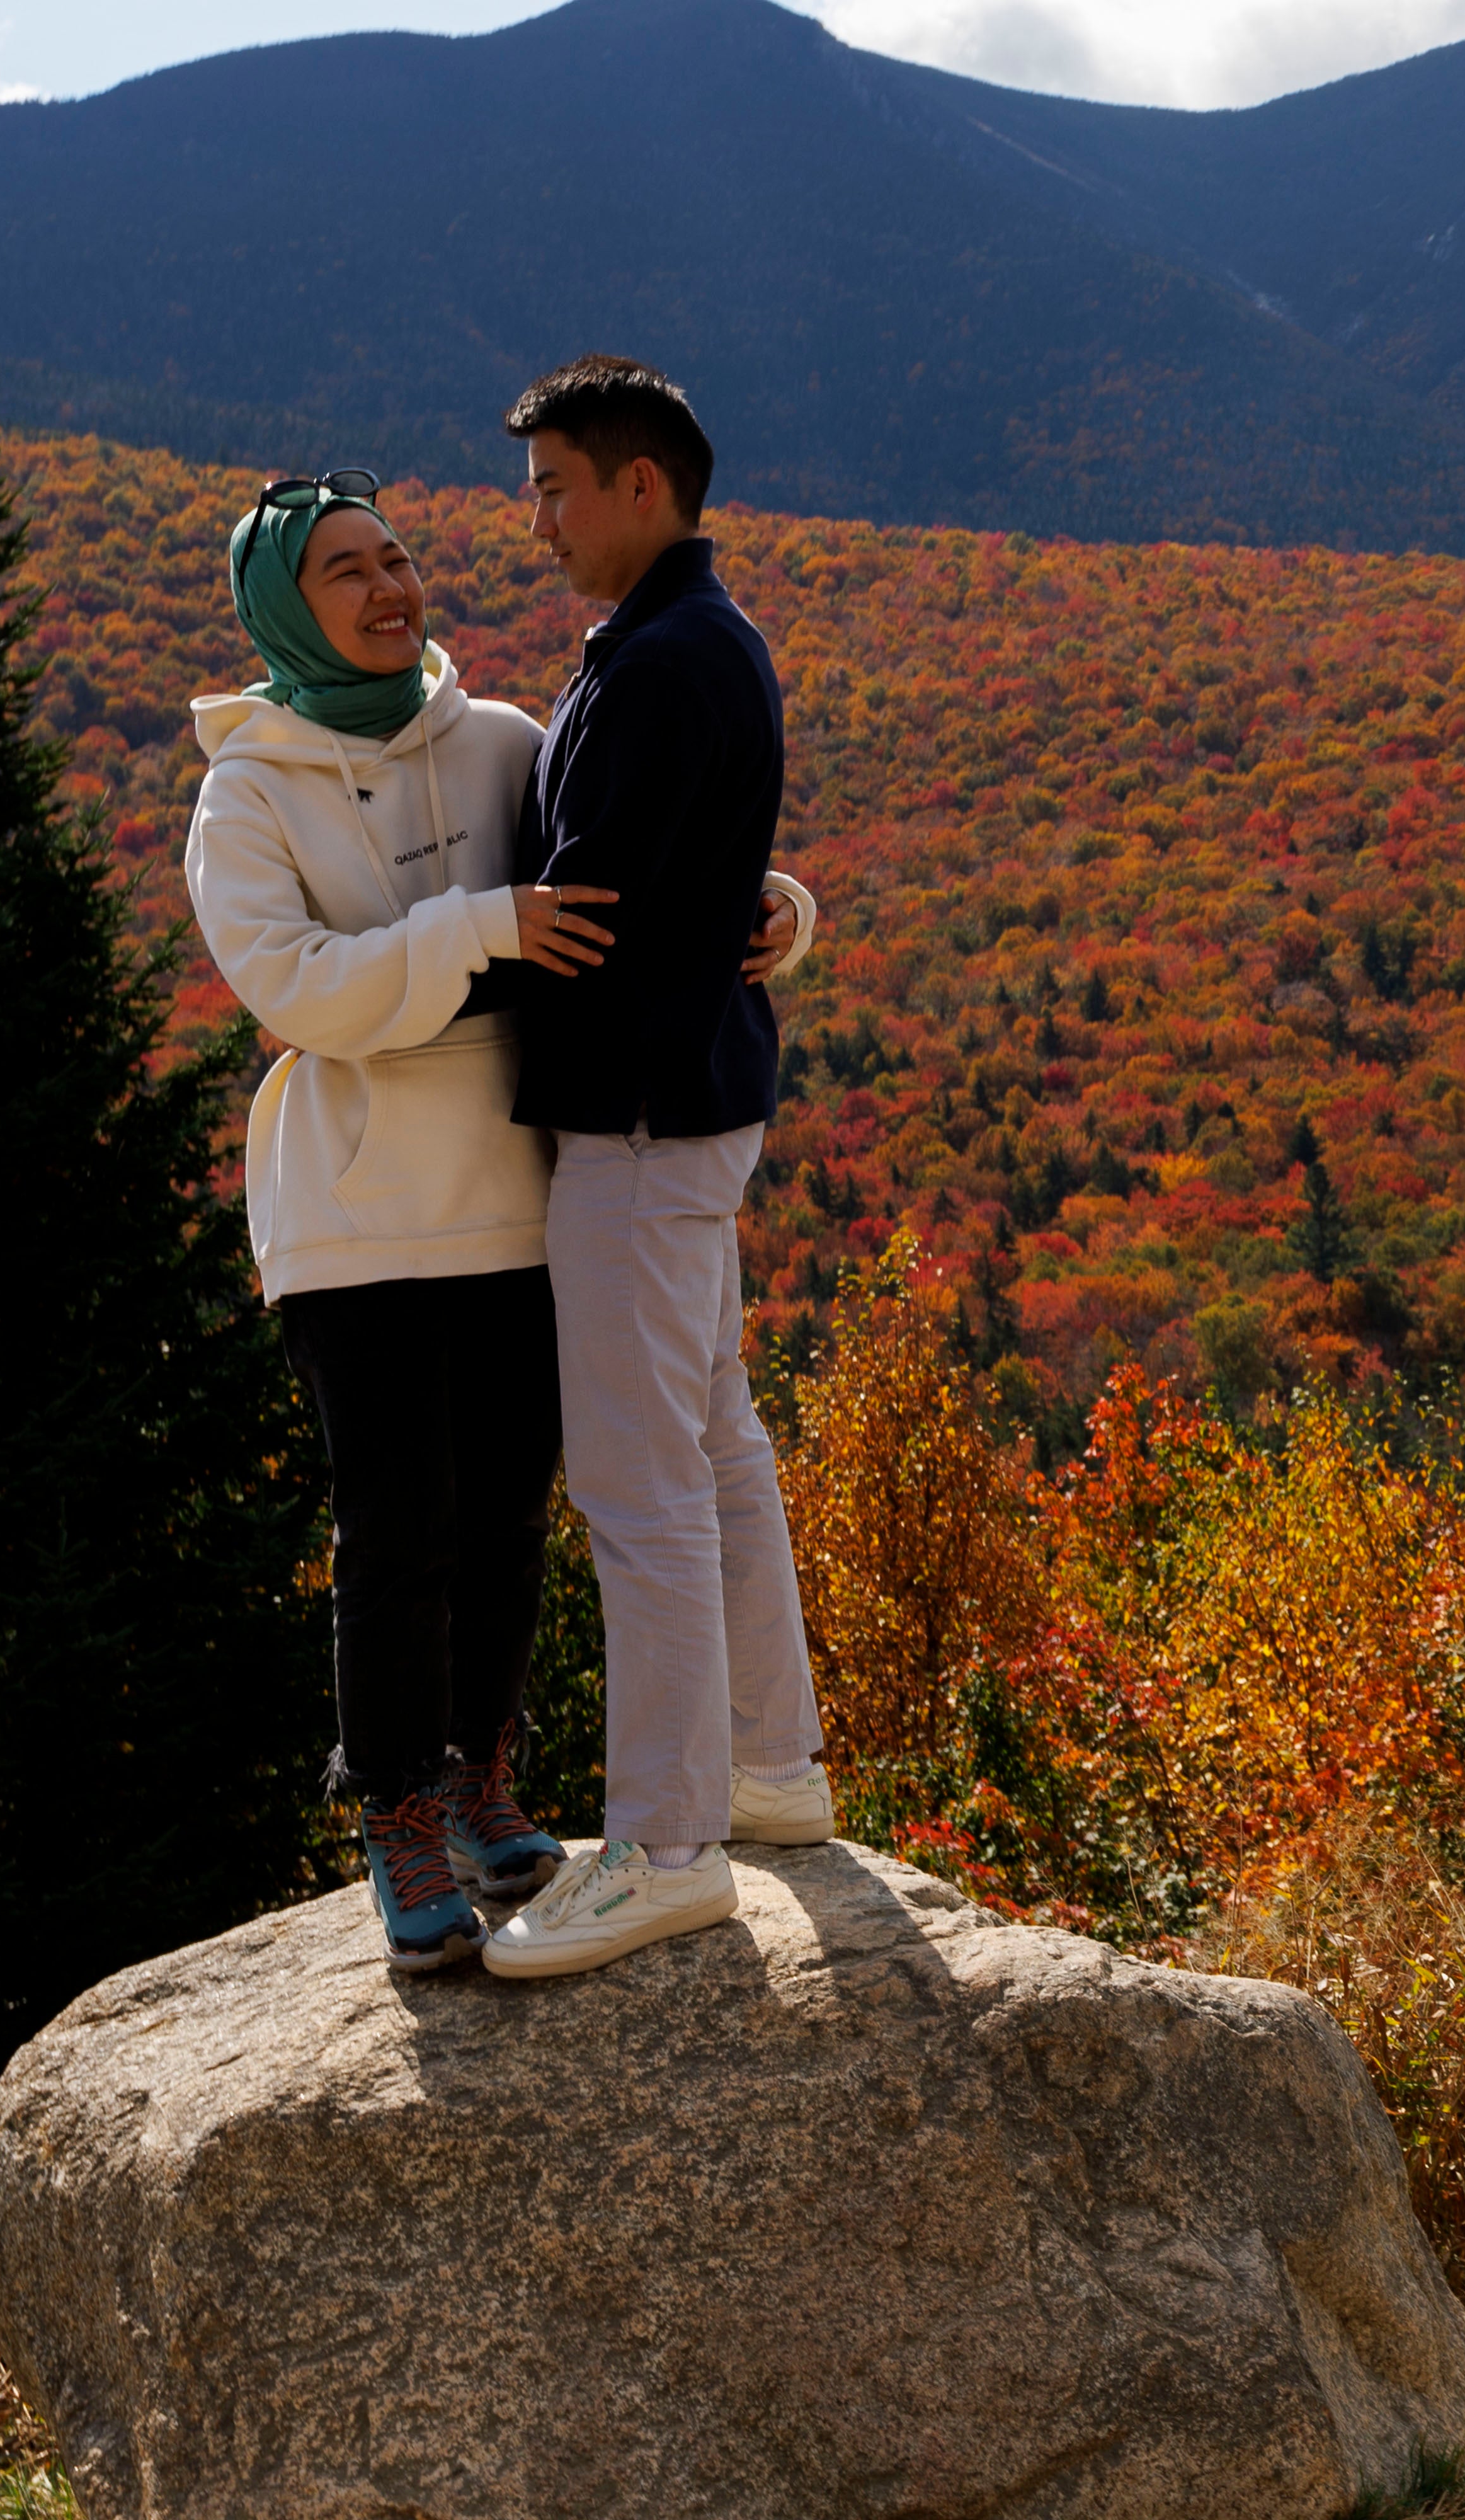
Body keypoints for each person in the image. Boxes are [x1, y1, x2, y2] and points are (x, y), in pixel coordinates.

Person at [183, 471, 811, 1973]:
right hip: (359, 1215)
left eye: (397, 555)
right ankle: (396, 1809)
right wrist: (482, 926)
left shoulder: (505, 740)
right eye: (347, 570)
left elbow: (640, 862)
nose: (391, 585)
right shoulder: (247, 792)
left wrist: (777, 902)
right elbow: (299, 992)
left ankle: (477, 1775)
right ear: (284, 607)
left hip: (524, 1190)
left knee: (509, 1523)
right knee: (396, 1525)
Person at [478, 356, 837, 1982]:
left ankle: (669, 1844)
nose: (535, 517)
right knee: (713, 1439)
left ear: (642, 486)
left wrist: (393, 971)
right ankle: (771, 1770)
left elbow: (590, 909)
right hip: (696, 1099)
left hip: (635, 1118)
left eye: (555, 484)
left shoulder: (663, 659)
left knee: (641, 1480)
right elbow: (692, 871)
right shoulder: (699, 639)